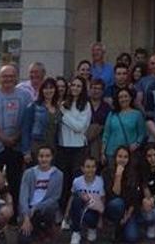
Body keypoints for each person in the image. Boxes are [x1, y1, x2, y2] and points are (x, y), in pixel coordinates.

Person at [0, 64, 32, 209]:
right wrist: (4, 138)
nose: (8, 79)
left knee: (15, 181)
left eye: (11, 76)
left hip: (17, 146)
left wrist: (16, 136)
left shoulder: (25, 96)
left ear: (16, 78)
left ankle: (14, 215)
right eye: (4, 76)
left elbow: (28, 120)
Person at [58, 76, 93, 213]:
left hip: (78, 148)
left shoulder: (86, 105)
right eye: (73, 85)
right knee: (63, 182)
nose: (75, 88)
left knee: (76, 182)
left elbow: (79, 127)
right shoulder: (63, 103)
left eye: (79, 86)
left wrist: (64, 115)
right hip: (62, 147)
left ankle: (75, 212)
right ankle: (61, 212)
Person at [18, 145, 64, 244]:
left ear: (52, 157)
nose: (44, 159)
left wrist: (36, 207)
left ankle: (46, 232)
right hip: (29, 210)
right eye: (41, 156)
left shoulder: (58, 174)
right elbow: (23, 197)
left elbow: (55, 197)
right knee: (23, 240)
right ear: (37, 157)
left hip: (47, 209)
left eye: (47, 156)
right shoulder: (28, 173)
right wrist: (26, 217)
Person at [103, 146, 140, 242]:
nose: (122, 159)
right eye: (120, 156)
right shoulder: (106, 172)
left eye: (125, 157)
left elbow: (135, 198)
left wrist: (127, 215)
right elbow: (114, 194)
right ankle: (115, 227)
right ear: (115, 157)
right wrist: (118, 176)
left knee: (132, 237)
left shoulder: (134, 174)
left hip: (128, 210)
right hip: (113, 208)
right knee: (117, 202)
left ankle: (122, 227)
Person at [21, 78, 61, 164]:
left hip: (52, 149)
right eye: (46, 88)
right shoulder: (33, 106)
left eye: (51, 88)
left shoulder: (58, 108)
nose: (48, 91)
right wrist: (26, 151)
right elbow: (25, 129)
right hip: (36, 149)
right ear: (42, 90)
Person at [103, 87, 146, 164]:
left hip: (129, 152)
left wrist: (137, 144)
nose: (123, 99)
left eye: (126, 96)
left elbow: (142, 133)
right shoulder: (112, 114)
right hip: (112, 152)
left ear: (130, 98)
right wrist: (102, 152)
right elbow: (106, 134)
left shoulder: (137, 114)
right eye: (121, 97)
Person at [67, 157, 104, 244]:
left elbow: (102, 199)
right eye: (87, 167)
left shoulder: (100, 181)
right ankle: (76, 232)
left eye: (93, 167)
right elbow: (72, 197)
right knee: (76, 199)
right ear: (82, 168)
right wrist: (66, 213)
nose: (90, 169)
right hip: (80, 208)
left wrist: (101, 219)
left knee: (91, 217)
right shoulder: (77, 181)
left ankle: (92, 228)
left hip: (93, 210)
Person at [87, 79, 111, 166]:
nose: (95, 91)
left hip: (99, 143)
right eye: (93, 88)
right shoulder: (84, 104)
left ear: (102, 91)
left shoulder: (107, 107)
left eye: (98, 88)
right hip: (84, 141)